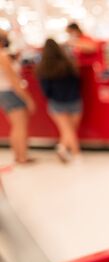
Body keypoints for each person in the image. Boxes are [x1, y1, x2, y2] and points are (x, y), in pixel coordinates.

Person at [35, 38, 82, 163]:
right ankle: (73, 153)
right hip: (74, 99)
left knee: (67, 130)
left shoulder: (43, 68)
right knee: (70, 129)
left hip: (56, 102)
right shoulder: (68, 63)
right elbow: (77, 80)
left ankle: (64, 149)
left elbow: (45, 91)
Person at [0, 29, 36, 164]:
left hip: (3, 92)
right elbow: (13, 80)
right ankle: (22, 156)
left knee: (15, 126)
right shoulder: (2, 55)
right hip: (10, 92)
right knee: (20, 126)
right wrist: (28, 98)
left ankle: (18, 155)